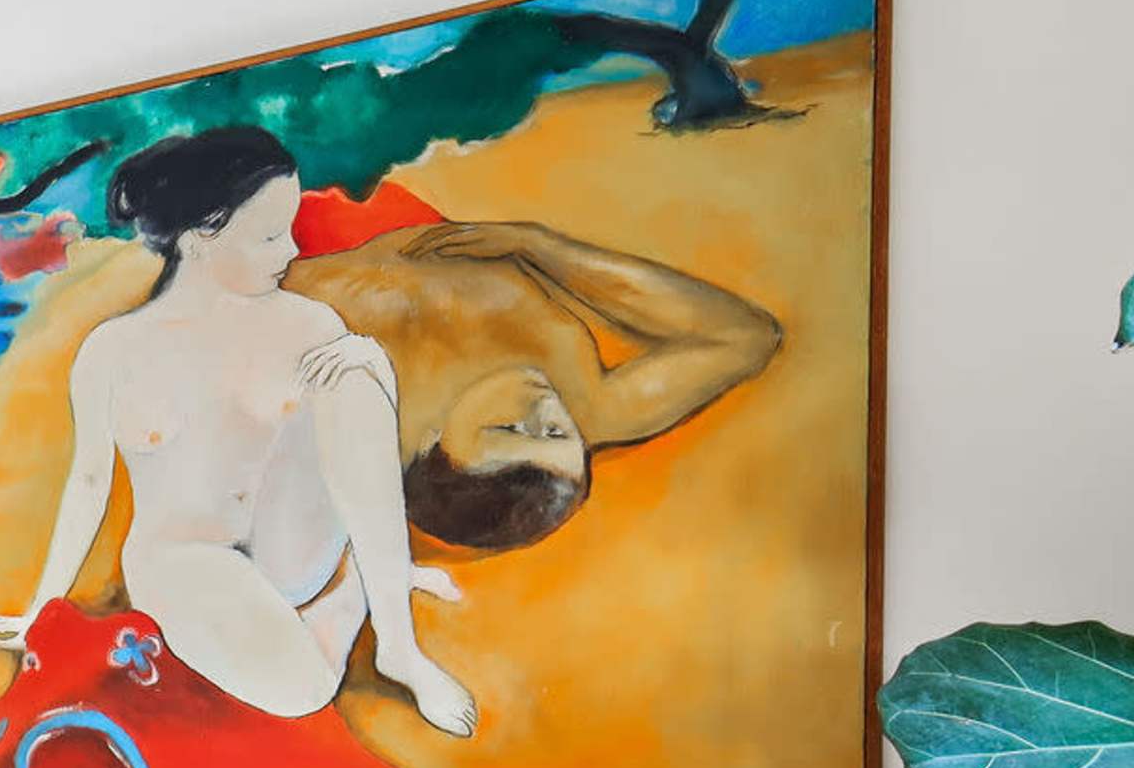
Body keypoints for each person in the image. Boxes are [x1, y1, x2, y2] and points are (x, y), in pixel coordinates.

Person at [0, 126, 475, 735]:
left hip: (294, 550)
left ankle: (399, 647)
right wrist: (37, 615)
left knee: (355, 371)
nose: (290, 250)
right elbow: (89, 484)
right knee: (304, 689)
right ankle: (360, 589)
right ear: (200, 236)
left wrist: (378, 375)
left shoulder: (309, 324)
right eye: (267, 235)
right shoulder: (114, 349)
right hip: (187, 562)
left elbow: (363, 452)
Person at [290, 220, 783, 551]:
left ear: (432, 449)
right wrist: (542, 248)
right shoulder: (594, 407)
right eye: (556, 436)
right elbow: (746, 336)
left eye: (507, 428)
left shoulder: (362, 421)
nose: (545, 411)